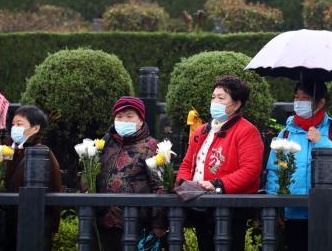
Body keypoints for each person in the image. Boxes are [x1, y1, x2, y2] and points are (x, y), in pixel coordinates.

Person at [265, 80, 332, 251]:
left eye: (305, 98)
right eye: (296, 97)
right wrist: (274, 204)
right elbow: (274, 170)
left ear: (320, 102)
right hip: (292, 211)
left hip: (324, 209)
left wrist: (321, 140)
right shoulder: (287, 131)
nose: (298, 102)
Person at [177, 76, 264, 251]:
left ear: (237, 104)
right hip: (199, 205)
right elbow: (187, 164)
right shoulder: (202, 130)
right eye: (213, 97)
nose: (214, 101)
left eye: (221, 98)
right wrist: (183, 184)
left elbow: (250, 170)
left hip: (230, 209)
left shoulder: (247, 131)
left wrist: (217, 184)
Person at [96, 97, 166, 251]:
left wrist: (158, 225)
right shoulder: (105, 143)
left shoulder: (151, 147)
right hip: (103, 220)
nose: (124, 120)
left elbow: (159, 186)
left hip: (134, 222)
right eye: (119, 117)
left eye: (129, 116)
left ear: (140, 120)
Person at [0, 105, 62, 251]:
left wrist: (50, 227)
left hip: (31, 222)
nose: (14, 128)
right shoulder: (7, 150)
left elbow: (55, 187)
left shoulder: (43, 153)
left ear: (36, 128)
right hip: (8, 222)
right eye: (13, 124)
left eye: (19, 124)